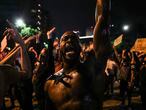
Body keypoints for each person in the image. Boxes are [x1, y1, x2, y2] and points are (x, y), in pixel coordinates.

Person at [44, 0, 111, 110]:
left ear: (80, 48)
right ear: (59, 48)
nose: (70, 40)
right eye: (65, 39)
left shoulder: (92, 68)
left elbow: (103, 33)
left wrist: (101, 17)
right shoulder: (50, 83)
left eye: (74, 39)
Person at [0, 28, 32, 109]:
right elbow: (26, 73)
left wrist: (19, 46)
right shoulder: (3, 71)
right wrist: (21, 45)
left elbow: (3, 63)